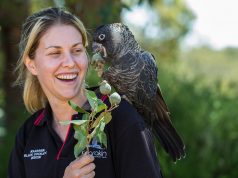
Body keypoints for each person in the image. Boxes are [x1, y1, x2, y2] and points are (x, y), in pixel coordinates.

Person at [8, 7, 163, 178]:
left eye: (77, 50)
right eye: (55, 53)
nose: (70, 62)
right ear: (32, 65)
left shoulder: (121, 119)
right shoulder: (28, 134)